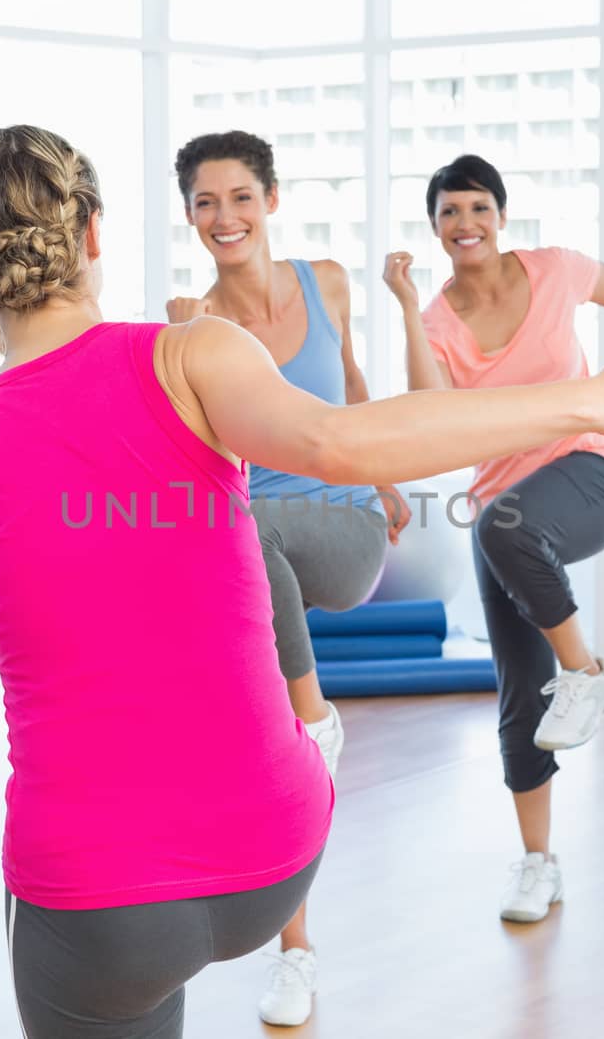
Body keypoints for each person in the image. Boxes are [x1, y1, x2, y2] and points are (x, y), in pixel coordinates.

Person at [0, 124, 604, 1039]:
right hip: (276, 845)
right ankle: (310, 750)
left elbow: (56, 540)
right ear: (93, 235)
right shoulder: (191, 354)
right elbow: (339, 442)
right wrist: (592, 398)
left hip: (99, 895)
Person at [383, 153, 604, 924]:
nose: (465, 224)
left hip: (588, 473)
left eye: (478, 208)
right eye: (449, 212)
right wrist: (409, 309)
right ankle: (538, 861)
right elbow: (427, 408)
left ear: (502, 216)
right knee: (521, 692)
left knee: (504, 529)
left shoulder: (555, 271)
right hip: (503, 514)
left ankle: (587, 670)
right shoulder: (441, 319)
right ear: (436, 226)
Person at [167, 129, 409, 1027]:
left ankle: (315, 708)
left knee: (245, 525)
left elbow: (346, 384)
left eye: (238, 197)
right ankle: (295, 952)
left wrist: (384, 476)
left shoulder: (328, 281)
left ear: (270, 200)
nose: (222, 217)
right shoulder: (189, 317)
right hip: (247, 560)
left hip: (341, 527)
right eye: (204, 202)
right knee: (269, 767)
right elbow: (196, 448)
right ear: (189, 215)